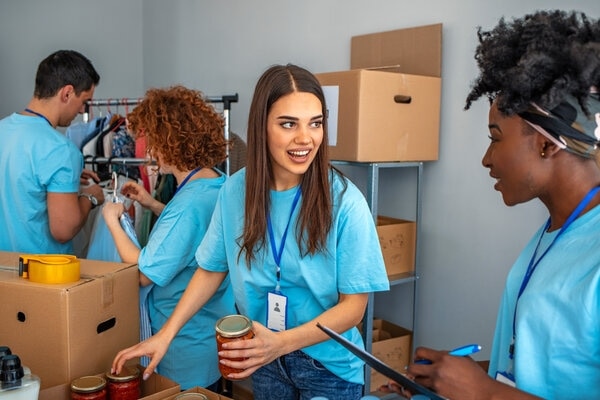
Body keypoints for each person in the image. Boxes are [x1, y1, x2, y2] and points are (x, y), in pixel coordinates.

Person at [112, 64, 390, 400]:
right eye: (289, 124)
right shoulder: (234, 193)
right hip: (263, 356)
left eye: (315, 123)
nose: (305, 138)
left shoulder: (344, 202)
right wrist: (167, 333)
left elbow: (353, 308)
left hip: (327, 366)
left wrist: (281, 343)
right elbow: (211, 269)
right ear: (262, 126)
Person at [382, 10, 600, 400]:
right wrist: (450, 377)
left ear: (547, 143)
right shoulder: (555, 231)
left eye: (495, 138)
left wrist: (482, 393)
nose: (486, 159)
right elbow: (538, 371)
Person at [101, 85, 237, 391]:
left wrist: (111, 220)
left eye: (151, 140)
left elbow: (144, 273)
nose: (148, 150)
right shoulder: (217, 182)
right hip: (208, 334)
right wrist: (152, 204)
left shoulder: (187, 205)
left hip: (181, 349)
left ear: (169, 141)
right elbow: (194, 235)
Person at [0, 50, 105, 254]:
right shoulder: (61, 150)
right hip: (40, 276)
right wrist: (90, 198)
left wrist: (66, 179)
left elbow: (19, 182)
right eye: (84, 101)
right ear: (66, 93)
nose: (82, 111)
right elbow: (63, 230)